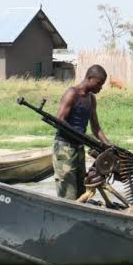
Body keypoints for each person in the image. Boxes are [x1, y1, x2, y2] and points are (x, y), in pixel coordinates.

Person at [53, 64, 113, 200]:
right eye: (99, 84)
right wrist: (78, 134)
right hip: (64, 148)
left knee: (81, 189)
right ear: (89, 78)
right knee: (68, 191)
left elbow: (95, 127)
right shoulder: (72, 93)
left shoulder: (91, 99)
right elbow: (59, 120)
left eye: (102, 85)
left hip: (79, 148)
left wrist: (108, 144)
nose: (100, 88)